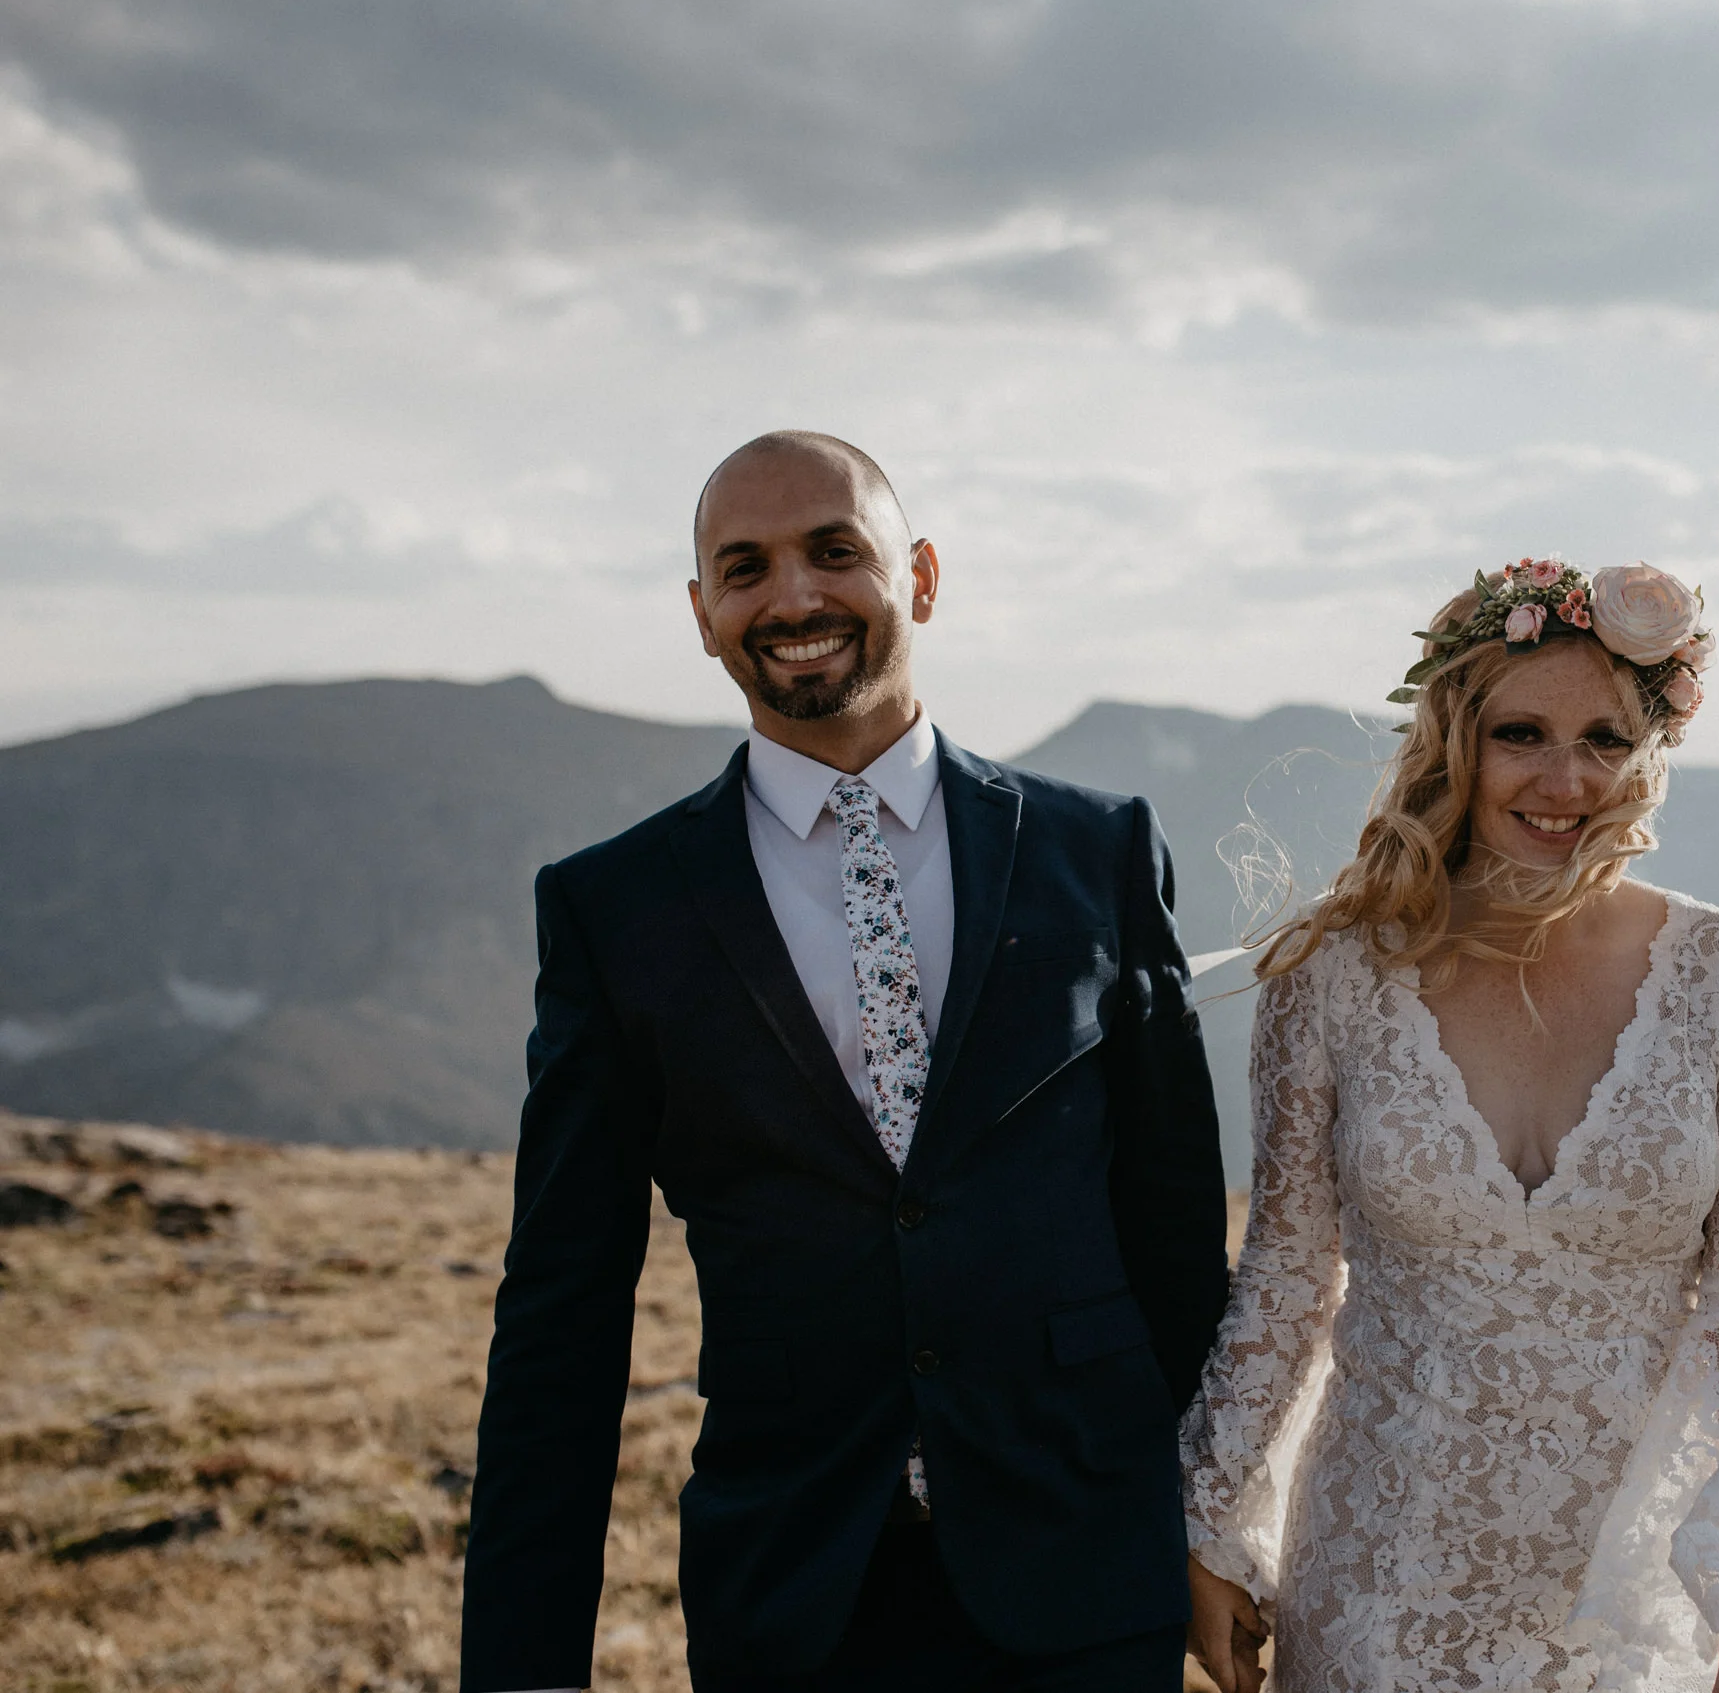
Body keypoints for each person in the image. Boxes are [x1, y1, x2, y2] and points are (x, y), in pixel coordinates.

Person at [459, 431, 1231, 1693]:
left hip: (1090, 1580)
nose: (794, 598)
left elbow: (1173, 1240)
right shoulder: (617, 909)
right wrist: (522, 1665)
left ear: (919, 575)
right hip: (794, 1595)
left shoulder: (1098, 851)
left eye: (835, 552)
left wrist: (1222, 1532)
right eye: (745, 567)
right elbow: (563, 1311)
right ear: (703, 612)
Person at [1180, 558, 1719, 1693]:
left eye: (1606, 741)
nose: (1565, 779)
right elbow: (1285, 1275)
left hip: (1627, 1599)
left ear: (1650, 752)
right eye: (1521, 733)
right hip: (1378, 1575)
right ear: (1453, 741)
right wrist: (1210, 1519)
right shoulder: (1333, 975)